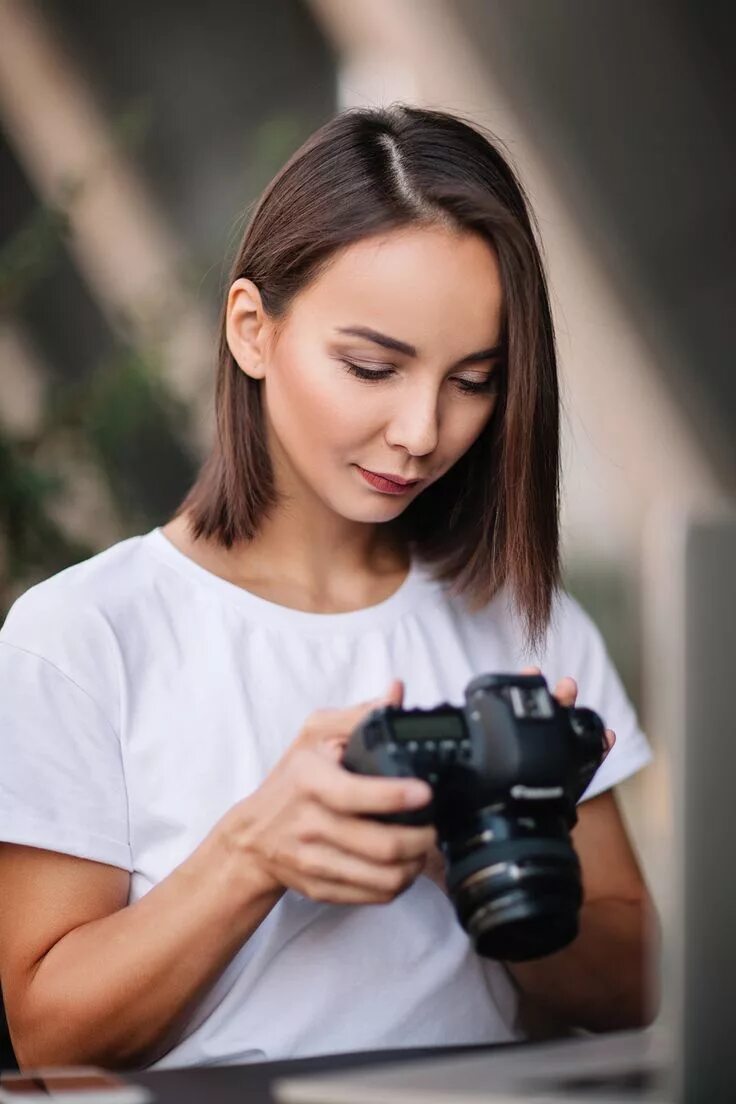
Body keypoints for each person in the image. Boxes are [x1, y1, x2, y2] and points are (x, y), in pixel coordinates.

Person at [0, 104, 657, 1072]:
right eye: (371, 367)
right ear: (252, 330)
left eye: (474, 380)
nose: (422, 431)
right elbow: (52, 1044)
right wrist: (252, 855)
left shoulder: (524, 619)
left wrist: (478, 843)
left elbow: (636, 991)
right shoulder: (84, 633)